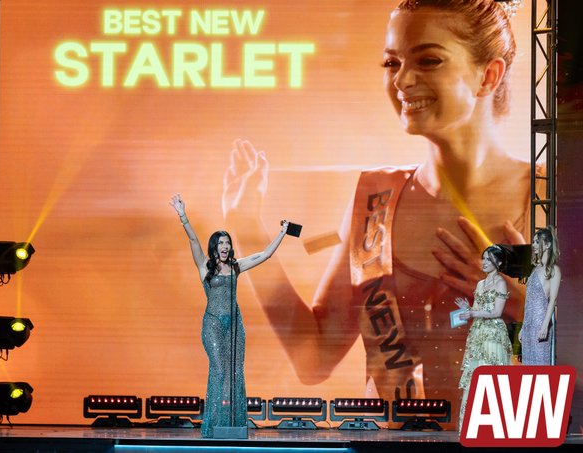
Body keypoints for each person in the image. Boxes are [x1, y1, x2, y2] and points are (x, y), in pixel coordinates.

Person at [222, 0, 531, 425]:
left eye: (428, 60)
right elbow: (314, 357)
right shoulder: (375, 199)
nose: (402, 80)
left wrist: (526, 309)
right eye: (391, 63)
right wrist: (247, 229)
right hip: (390, 445)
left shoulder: (552, 198)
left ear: (488, 75)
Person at [169, 194, 288, 438]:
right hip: (213, 324)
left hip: (234, 325)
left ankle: (234, 423)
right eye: (221, 243)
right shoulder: (204, 266)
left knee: (235, 372)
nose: (225, 246)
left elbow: (265, 254)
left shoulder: (236, 266)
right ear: (214, 247)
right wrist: (182, 215)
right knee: (219, 370)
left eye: (227, 243)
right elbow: (193, 239)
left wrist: (283, 232)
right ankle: (214, 424)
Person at [455, 245, 513, 428]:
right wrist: (467, 309)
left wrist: (473, 313)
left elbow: (496, 312)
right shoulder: (480, 284)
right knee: (475, 375)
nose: (484, 262)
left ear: (499, 263)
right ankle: (472, 425)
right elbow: (477, 310)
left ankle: (495, 426)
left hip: (493, 334)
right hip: (478, 333)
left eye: (489, 259)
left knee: (491, 376)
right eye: (484, 258)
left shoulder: (501, 283)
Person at [519, 226, 561, 365]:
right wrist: (523, 327)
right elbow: (528, 302)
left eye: (537, 242)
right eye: (533, 242)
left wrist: (544, 326)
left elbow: (552, 300)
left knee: (541, 365)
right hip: (529, 324)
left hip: (540, 323)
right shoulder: (535, 269)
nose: (534, 245)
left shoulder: (553, 270)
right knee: (528, 367)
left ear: (547, 245)